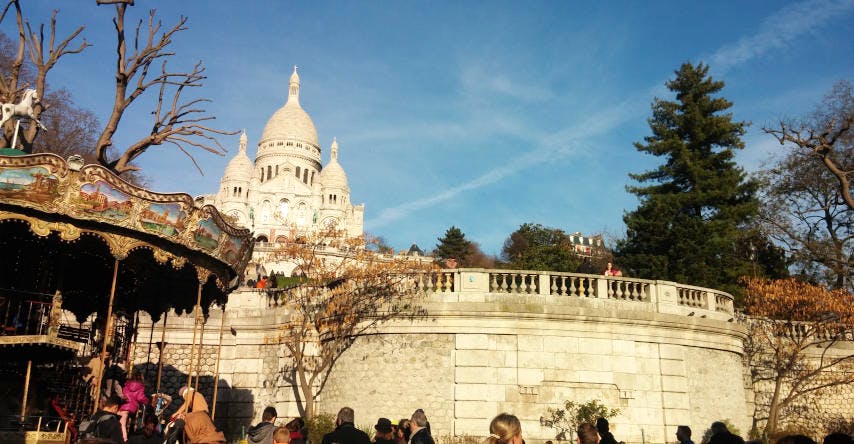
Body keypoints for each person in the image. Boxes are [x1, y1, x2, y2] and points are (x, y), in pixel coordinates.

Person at [119, 372, 149, 442]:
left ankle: (124, 440)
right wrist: (146, 401)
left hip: (124, 406)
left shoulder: (127, 384)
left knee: (121, 423)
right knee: (125, 424)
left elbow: (124, 394)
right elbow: (140, 398)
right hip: (133, 408)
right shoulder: (140, 386)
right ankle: (126, 439)